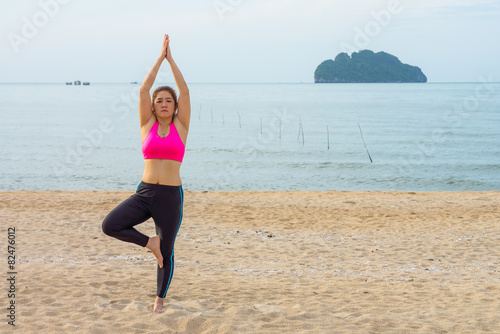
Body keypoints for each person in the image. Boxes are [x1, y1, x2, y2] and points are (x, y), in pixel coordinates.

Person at [102, 34, 190, 313]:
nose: (164, 103)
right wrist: (159, 58)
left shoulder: (182, 126)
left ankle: (159, 300)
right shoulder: (147, 124)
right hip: (146, 192)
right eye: (159, 101)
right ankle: (148, 242)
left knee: (167, 253)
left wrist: (171, 61)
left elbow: (185, 92)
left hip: (170, 197)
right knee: (110, 225)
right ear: (153, 107)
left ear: (175, 107)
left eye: (168, 101)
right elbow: (143, 90)